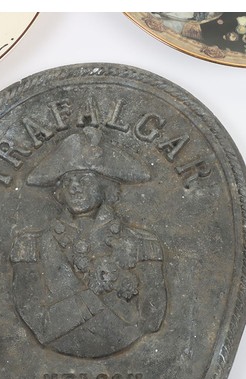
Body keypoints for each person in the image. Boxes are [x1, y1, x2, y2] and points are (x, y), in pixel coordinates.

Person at [10, 129, 167, 358]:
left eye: (84, 179)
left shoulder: (141, 243)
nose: (74, 187)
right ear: (59, 193)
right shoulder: (32, 245)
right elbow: (39, 325)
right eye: (67, 182)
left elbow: (150, 321)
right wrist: (93, 294)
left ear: (107, 187)